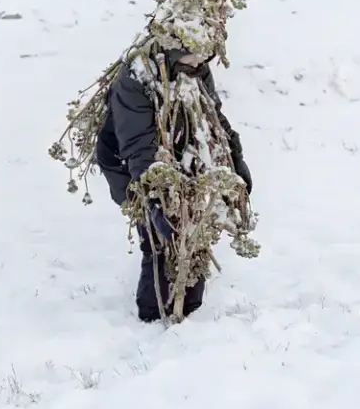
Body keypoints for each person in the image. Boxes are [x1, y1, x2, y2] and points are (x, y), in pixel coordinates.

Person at [95, 45, 253, 322]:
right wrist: (156, 202)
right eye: (194, 54)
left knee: (192, 236)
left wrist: (234, 158)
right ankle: (152, 316)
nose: (201, 61)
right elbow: (138, 147)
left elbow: (212, 116)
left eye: (206, 55)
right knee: (157, 239)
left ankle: (189, 314)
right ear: (172, 48)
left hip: (180, 158)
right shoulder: (137, 78)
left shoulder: (194, 68)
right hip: (128, 164)